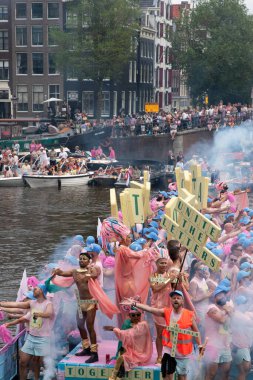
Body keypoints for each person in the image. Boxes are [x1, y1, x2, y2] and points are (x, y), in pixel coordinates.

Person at [52, 251, 118, 363]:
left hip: (90, 301)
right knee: (80, 325)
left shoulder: (93, 269)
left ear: (89, 261)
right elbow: (63, 273)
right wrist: (57, 271)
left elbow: (95, 274)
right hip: (80, 302)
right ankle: (86, 348)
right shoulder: (74, 272)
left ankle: (94, 353)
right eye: (80, 258)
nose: (82, 260)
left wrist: (88, 273)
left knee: (90, 326)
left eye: (84, 259)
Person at [121, 290, 203, 380]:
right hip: (169, 351)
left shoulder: (189, 315)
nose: (176, 300)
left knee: (182, 377)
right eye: (174, 298)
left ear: (182, 301)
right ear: (171, 300)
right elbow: (151, 309)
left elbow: (196, 332)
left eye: (178, 298)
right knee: (167, 377)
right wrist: (135, 304)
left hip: (183, 354)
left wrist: (200, 345)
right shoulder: (166, 312)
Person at [0, 285, 54, 380]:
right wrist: (2, 304)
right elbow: (15, 305)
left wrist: (40, 314)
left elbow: (49, 313)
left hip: (43, 338)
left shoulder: (48, 304)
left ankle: (38, 378)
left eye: (36, 288)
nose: (33, 289)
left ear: (42, 291)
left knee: (38, 361)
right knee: (22, 362)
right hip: (31, 337)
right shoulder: (31, 303)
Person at [103, 305, 152, 380]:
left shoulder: (143, 325)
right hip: (129, 349)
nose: (136, 317)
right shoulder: (126, 323)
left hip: (140, 353)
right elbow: (123, 338)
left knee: (123, 359)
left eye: (138, 315)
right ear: (129, 316)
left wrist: (114, 329)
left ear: (141, 315)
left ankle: (116, 377)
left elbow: (128, 334)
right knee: (121, 357)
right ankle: (114, 377)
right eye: (133, 315)